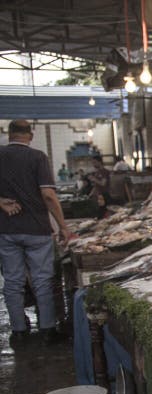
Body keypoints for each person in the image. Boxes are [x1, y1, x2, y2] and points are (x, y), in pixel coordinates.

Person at [0, 119, 74, 345]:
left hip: (7, 229)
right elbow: (49, 195)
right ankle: (48, 330)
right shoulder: (37, 157)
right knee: (42, 280)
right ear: (30, 135)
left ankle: (19, 331)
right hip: (36, 229)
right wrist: (63, 226)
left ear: (8, 133)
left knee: (12, 282)